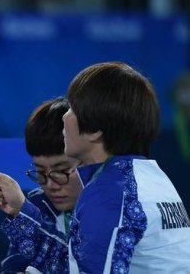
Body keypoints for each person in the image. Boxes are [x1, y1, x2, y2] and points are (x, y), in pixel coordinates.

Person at [63, 61, 190, 273]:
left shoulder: (110, 194)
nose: (64, 116)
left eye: (72, 108)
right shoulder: (151, 177)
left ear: (95, 130)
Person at [0, 97, 82, 274]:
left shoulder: (111, 207)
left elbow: (81, 264)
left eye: (61, 171)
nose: (51, 185)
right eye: (40, 172)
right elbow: (15, 262)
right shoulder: (38, 202)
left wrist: (23, 211)